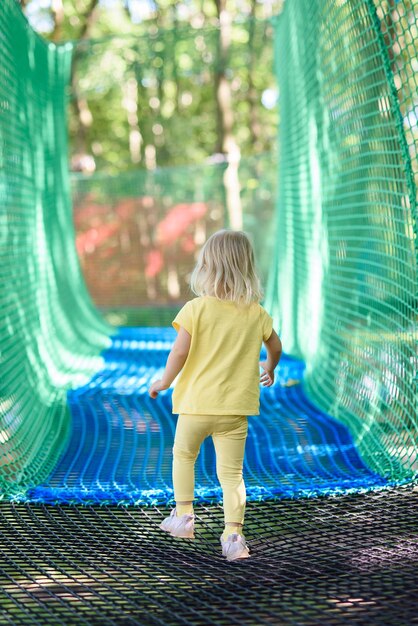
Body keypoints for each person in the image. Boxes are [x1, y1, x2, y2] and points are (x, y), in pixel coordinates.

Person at [148, 230, 282, 561]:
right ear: (247, 267)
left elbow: (179, 354)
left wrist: (164, 381)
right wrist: (270, 365)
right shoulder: (256, 313)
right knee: (232, 475)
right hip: (235, 410)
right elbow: (275, 346)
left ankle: (183, 516)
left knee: (184, 456)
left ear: (207, 266)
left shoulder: (196, 309)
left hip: (195, 406)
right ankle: (234, 536)